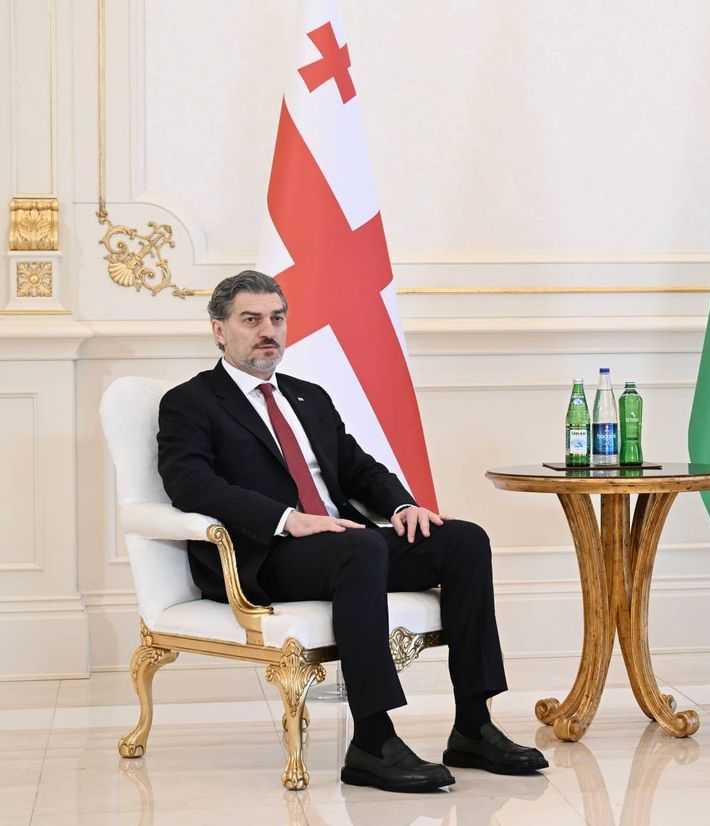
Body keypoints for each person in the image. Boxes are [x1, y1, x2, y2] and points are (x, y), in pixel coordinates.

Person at [157, 270, 547, 793]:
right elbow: (191, 485)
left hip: (343, 542)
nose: (267, 330)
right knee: (359, 547)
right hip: (269, 554)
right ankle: (372, 740)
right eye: (250, 320)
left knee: (464, 541)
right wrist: (287, 519)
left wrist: (403, 505)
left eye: (276, 318)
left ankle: (474, 726)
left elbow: (358, 468)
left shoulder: (308, 397)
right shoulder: (191, 401)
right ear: (219, 330)